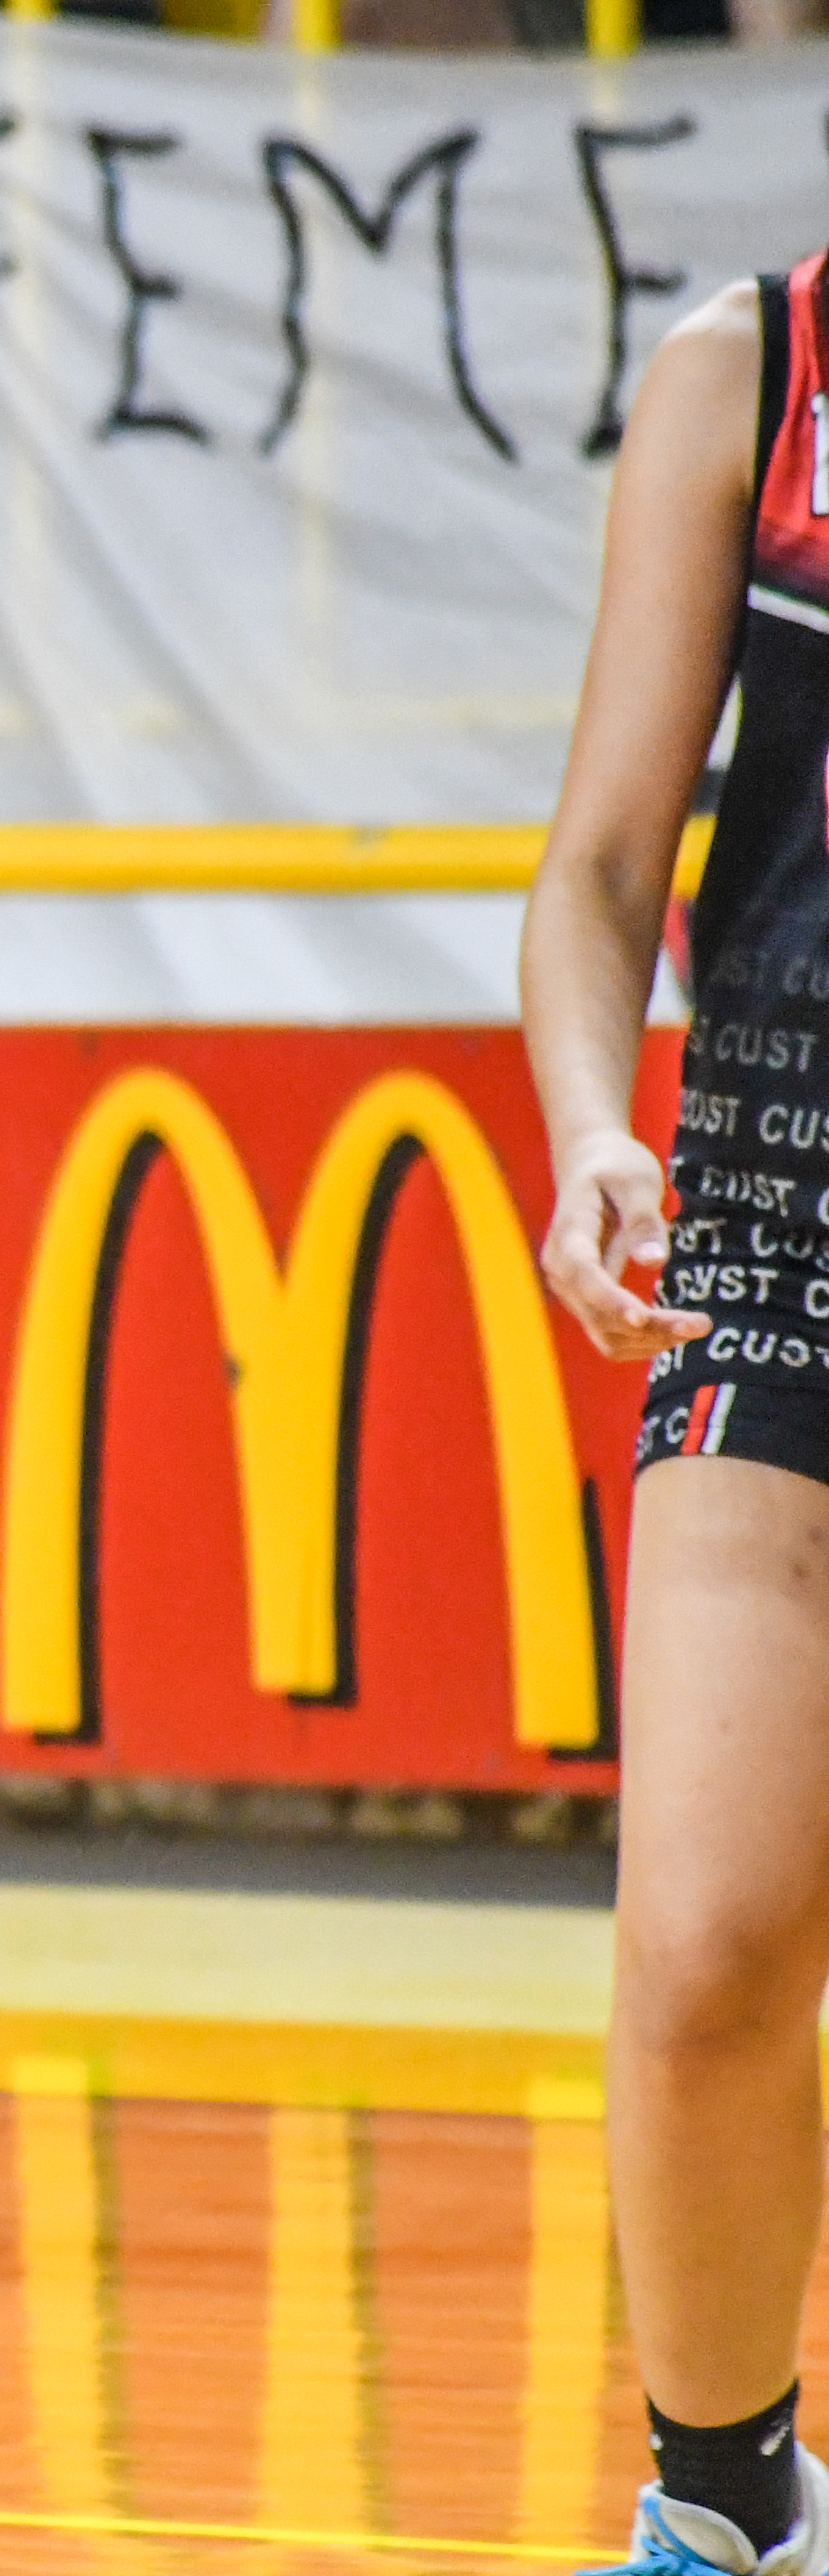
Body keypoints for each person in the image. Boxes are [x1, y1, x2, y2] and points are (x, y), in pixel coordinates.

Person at [525, 254, 829, 2576]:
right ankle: (728, 2509)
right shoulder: (752, 364)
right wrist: (584, 1125)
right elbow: (606, 864)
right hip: (784, 1174)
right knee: (711, 1935)